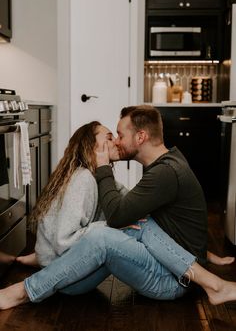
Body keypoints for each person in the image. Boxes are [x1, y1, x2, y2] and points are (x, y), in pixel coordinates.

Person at [0, 109, 235, 309]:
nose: (117, 142)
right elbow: (70, 236)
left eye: (118, 135)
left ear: (141, 136)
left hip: (163, 277)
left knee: (130, 224)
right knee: (108, 232)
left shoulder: (156, 172)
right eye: (111, 137)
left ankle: (213, 284)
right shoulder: (84, 179)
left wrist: (201, 253)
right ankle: (24, 291)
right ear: (92, 147)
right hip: (68, 274)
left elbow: (124, 210)